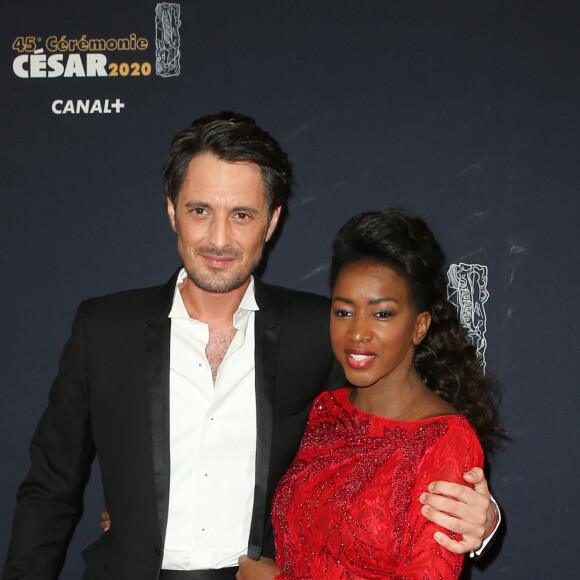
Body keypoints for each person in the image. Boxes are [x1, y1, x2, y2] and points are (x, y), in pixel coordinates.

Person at [3, 114, 497, 580]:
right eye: (200, 210)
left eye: (241, 214)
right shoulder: (105, 329)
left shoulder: (319, 330)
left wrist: (481, 518)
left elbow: (399, 436)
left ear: (272, 221)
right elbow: (49, 492)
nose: (219, 239)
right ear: (172, 209)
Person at [237, 208, 502, 579]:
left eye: (382, 314)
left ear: (419, 326)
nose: (357, 333)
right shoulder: (323, 410)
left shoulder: (443, 442)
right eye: (344, 312)